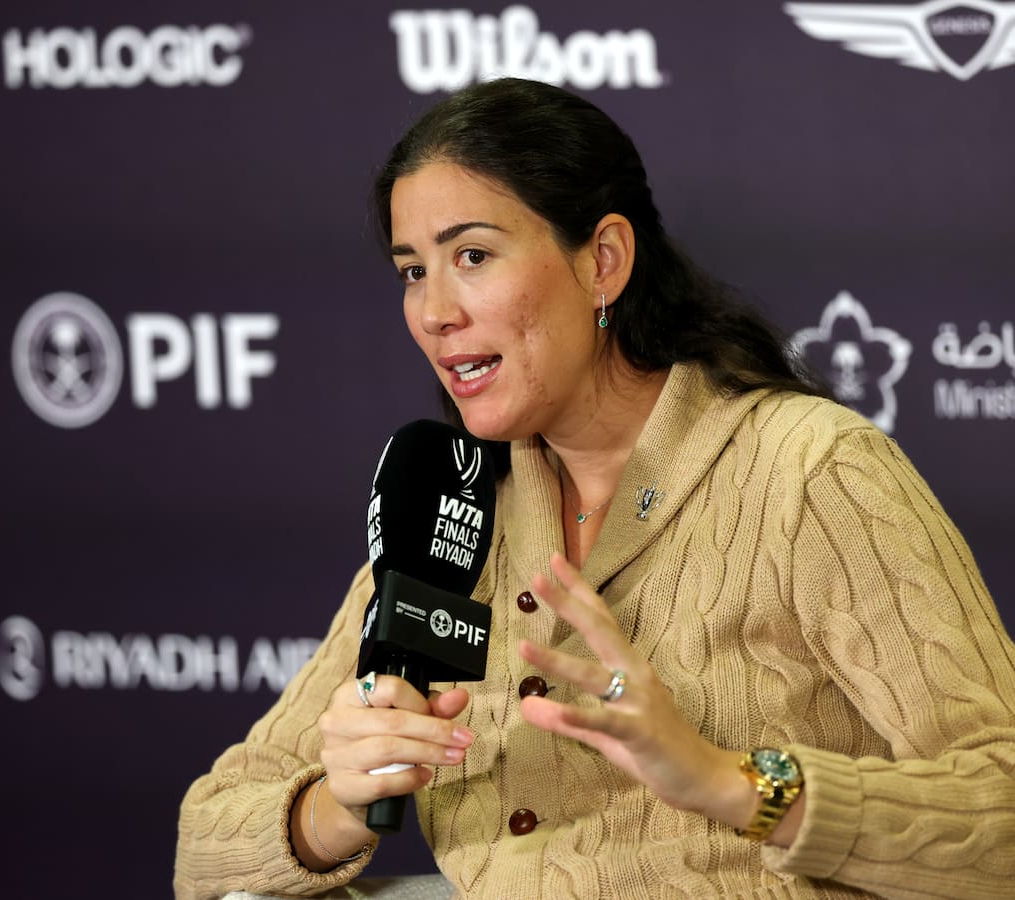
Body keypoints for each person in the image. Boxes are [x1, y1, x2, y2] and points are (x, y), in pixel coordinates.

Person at [173, 78, 1015, 899]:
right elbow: (204, 842)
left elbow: (1002, 802)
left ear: (604, 260)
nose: (433, 312)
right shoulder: (457, 505)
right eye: (412, 272)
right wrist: (338, 807)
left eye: (472, 256)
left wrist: (727, 782)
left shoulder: (809, 469)